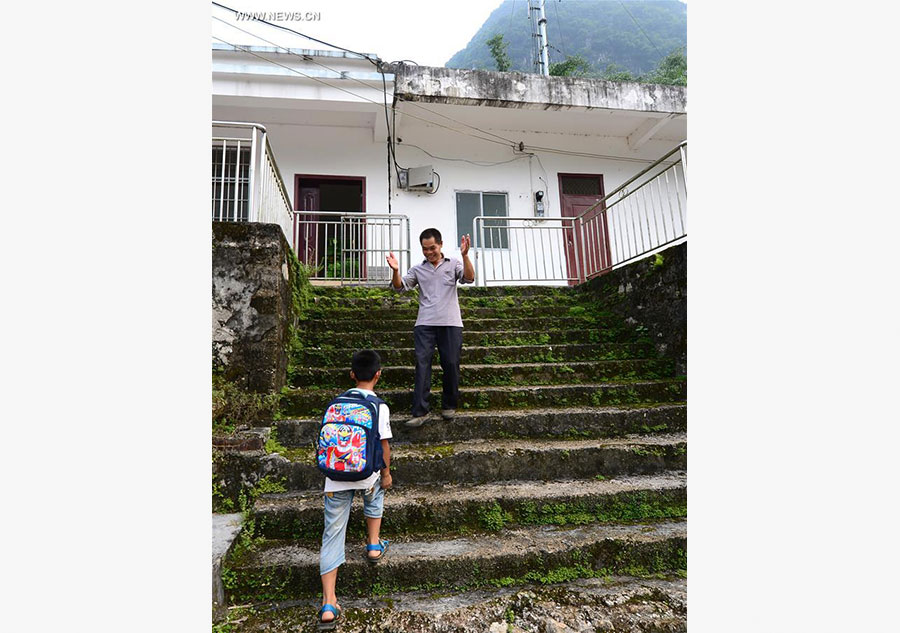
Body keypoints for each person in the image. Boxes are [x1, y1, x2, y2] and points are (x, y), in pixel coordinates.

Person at [317, 349, 393, 631]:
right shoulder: (379, 407)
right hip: (367, 475)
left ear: (351, 375)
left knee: (332, 534)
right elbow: (384, 445)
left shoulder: (336, 404)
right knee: (375, 494)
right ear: (378, 375)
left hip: (335, 478)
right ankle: (374, 545)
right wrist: (385, 473)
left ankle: (328, 602)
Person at [386, 228, 475, 427]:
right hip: (425, 324)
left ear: (440, 244)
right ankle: (420, 411)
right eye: (425, 249)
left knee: (451, 364)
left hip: (450, 323)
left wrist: (465, 255)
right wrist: (395, 271)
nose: (428, 252)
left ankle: (449, 405)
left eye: (432, 248)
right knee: (422, 366)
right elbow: (399, 287)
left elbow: (469, 278)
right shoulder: (418, 269)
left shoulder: (454, 264)